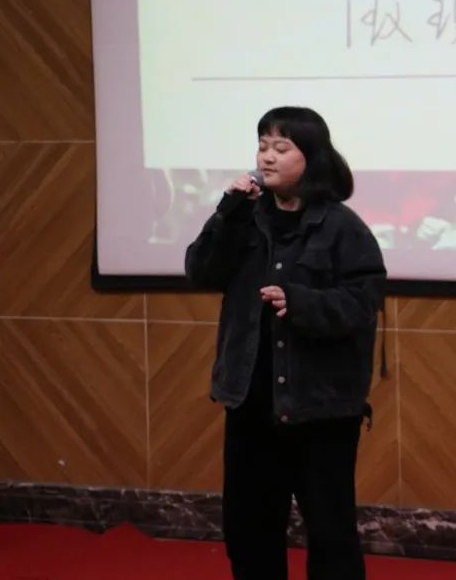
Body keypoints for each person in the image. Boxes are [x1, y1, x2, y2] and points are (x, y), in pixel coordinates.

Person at [185, 106, 386, 580]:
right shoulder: (244, 219)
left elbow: (363, 302)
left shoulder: (342, 227)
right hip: (251, 405)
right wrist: (227, 212)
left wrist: (301, 303)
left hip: (320, 409)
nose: (267, 157)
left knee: (331, 537)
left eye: (281, 147)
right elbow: (200, 271)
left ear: (311, 157)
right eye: (262, 146)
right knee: (249, 533)